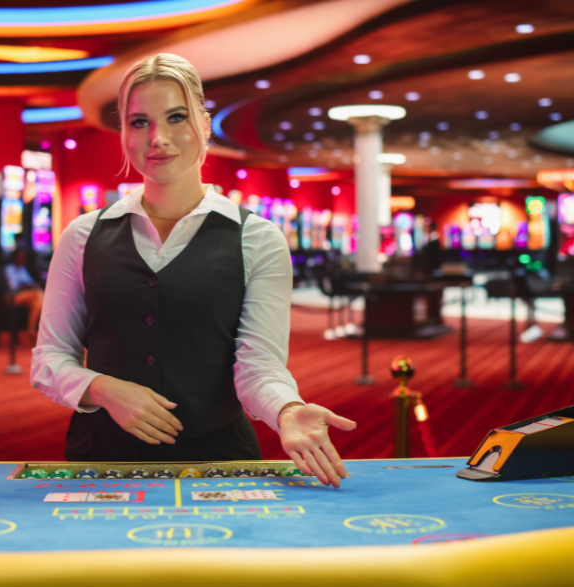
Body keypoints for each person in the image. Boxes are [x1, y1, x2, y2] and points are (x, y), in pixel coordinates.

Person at [31, 53, 356, 487]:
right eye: (139, 122)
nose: (157, 138)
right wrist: (103, 388)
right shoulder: (82, 235)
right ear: (123, 132)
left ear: (204, 125)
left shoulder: (257, 238)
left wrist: (287, 410)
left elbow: (258, 365)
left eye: (176, 117)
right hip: (102, 459)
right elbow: (48, 360)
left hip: (219, 457)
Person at [5, 247, 44, 338]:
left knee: (37, 303)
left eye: (24, 256)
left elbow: (30, 283)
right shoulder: (9, 268)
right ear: (15, 257)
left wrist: (32, 285)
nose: (23, 259)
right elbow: (14, 286)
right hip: (11, 297)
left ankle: (31, 332)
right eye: (21, 256)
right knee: (38, 294)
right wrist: (28, 286)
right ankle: (45, 330)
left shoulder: (22, 268)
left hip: (26, 296)